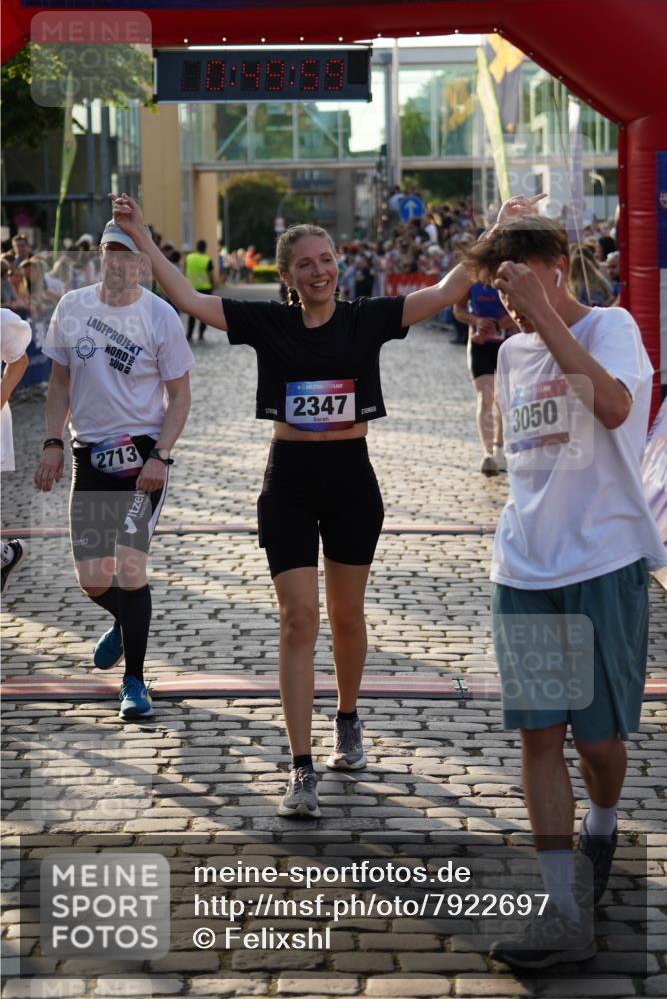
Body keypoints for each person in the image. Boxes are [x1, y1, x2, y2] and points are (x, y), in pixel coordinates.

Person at [111, 191, 541, 817]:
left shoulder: (366, 318)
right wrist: (144, 239)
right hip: (288, 480)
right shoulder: (269, 322)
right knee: (297, 619)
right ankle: (300, 766)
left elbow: (449, 288)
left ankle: (347, 716)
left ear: (338, 263)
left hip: (350, 481)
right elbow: (190, 299)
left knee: (345, 616)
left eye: (326, 259)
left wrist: (497, 229)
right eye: (305, 264)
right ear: (288, 276)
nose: (319, 271)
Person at [461, 215, 667, 969]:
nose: (510, 305)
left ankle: (602, 825)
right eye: (501, 290)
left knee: (597, 743)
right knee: (540, 737)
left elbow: (613, 409)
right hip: (525, 567)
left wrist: (544, 315)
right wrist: (521, 315)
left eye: (518, 282)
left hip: (604, 562)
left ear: (555, 266)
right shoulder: (512, 351)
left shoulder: (613, 328)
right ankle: (562, 909)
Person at [34, 221, 194, 720]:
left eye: (129, 255)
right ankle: (126, 624)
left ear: (143, 262)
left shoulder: (160, 315)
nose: (120, 263)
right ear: (100, 255)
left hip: (143, 458)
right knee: (92, 578)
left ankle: (135, 681)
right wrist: (53, 441)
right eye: (112, 253)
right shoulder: (72, 307)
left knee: (129, 566)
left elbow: (180, 396)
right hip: (90, 453)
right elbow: (59, 383)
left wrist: (160, 455)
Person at [454, 281, 516, 475]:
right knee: (485, 397)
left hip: (505, 344)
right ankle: (487, 454)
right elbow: (458, 309)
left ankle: (499, 448)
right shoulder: (471, 280)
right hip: (479, 345)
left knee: (502, 399)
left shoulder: (506, 278)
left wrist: (498, 324)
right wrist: (476, 321)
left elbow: (521, 310)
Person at [1, 308, 31, 594]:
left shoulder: (2, 320)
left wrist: (1, 395)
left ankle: (7, 556)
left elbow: (19, 361)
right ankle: (6, 555)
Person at [184, 239, 215, 342]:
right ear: (205, 248)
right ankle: (201, 335)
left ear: (196, 247)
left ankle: (189, 335)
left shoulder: (188, 258)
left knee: (192, 314)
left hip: (191, 289)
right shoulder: (207, 260)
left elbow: (184, 272)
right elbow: (211, 276)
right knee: (204, 314)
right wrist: (213, 286)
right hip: (205, 289)